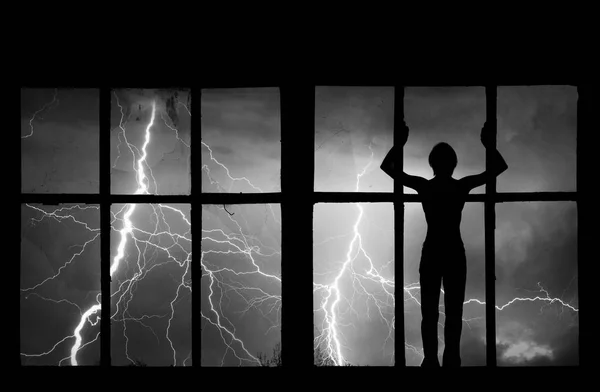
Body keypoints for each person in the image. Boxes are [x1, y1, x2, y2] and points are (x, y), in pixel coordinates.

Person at [380, 121, 508, 367]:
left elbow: (388, 167)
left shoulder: (425, 186)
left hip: (432, 251)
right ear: (453, 164)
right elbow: (499, 168)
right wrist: (489, 146)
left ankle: (431, 360)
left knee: (429, 311)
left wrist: (399, 144)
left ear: (432, 164)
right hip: (454, 251)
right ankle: (451, 359)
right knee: (454, 312)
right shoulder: (460, 186)